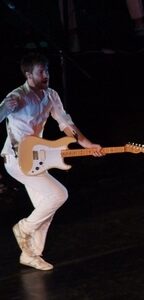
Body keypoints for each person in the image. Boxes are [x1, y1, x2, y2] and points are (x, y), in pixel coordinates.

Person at [0, 52, 104, 271]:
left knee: (45, 208)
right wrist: (4, 108)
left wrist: (88, 144)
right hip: (17, 160)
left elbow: (66, 124)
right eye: (41, 71)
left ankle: (31, 254)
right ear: (29, 75)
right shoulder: (17, 96)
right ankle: (24, 228)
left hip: (37, 158)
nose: (46, 75)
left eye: (47, 70)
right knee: (58, 194)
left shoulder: (51, 95)